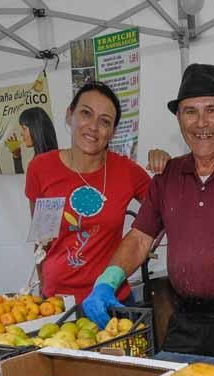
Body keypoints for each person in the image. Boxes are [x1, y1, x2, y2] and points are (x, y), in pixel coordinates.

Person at [82, 63, 214, 360]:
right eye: (190, 112)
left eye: (212, 110)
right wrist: (107, 281)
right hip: (185, 318)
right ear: (179, 119)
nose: (201, 123)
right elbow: (140, 239)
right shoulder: (168, 175)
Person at [24, 82, 155, 304]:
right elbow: (41, 238)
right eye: (86, 113)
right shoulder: (41, 168)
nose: (93, 127)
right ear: (69, 115)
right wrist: (43, 290)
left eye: (104, 121)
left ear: (112, 132)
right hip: (58, 302)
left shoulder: (127, 171)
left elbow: (166, 206)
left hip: (112, 300)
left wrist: (166, 165)